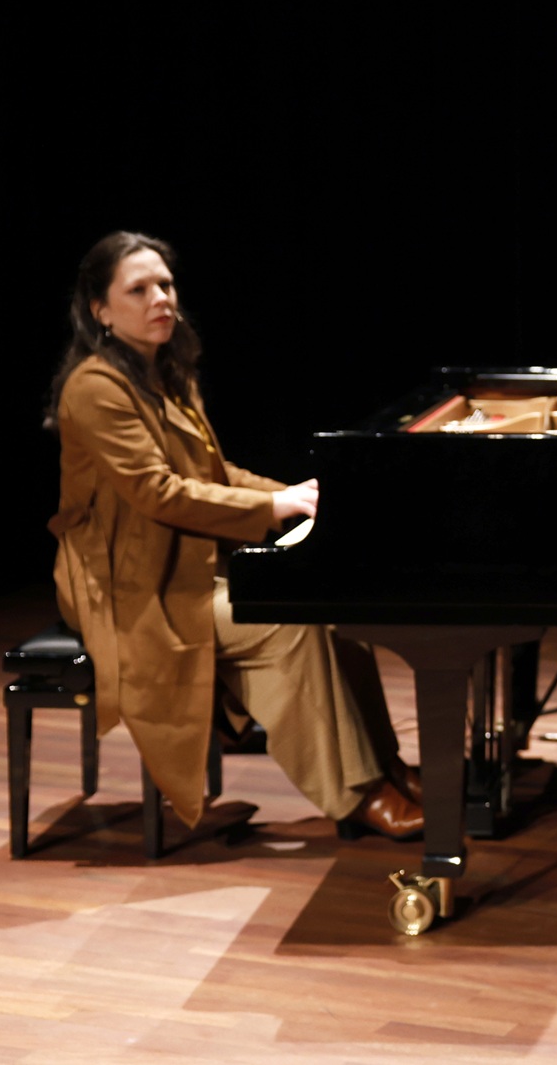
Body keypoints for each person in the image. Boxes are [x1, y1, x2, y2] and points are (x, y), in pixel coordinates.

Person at [47, 231, 423, 840]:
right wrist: (273, 506)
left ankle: (386, 766)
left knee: (328, 608)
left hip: (181, 564)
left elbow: (212, 474)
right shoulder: (95, 387)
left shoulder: (164, 375)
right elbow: (158, 492)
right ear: (100, 311)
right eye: (138, 289)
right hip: (124, 587)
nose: (160, 298)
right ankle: (357, 794)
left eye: (165, 284)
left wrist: (296, 495)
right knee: (284, 624)